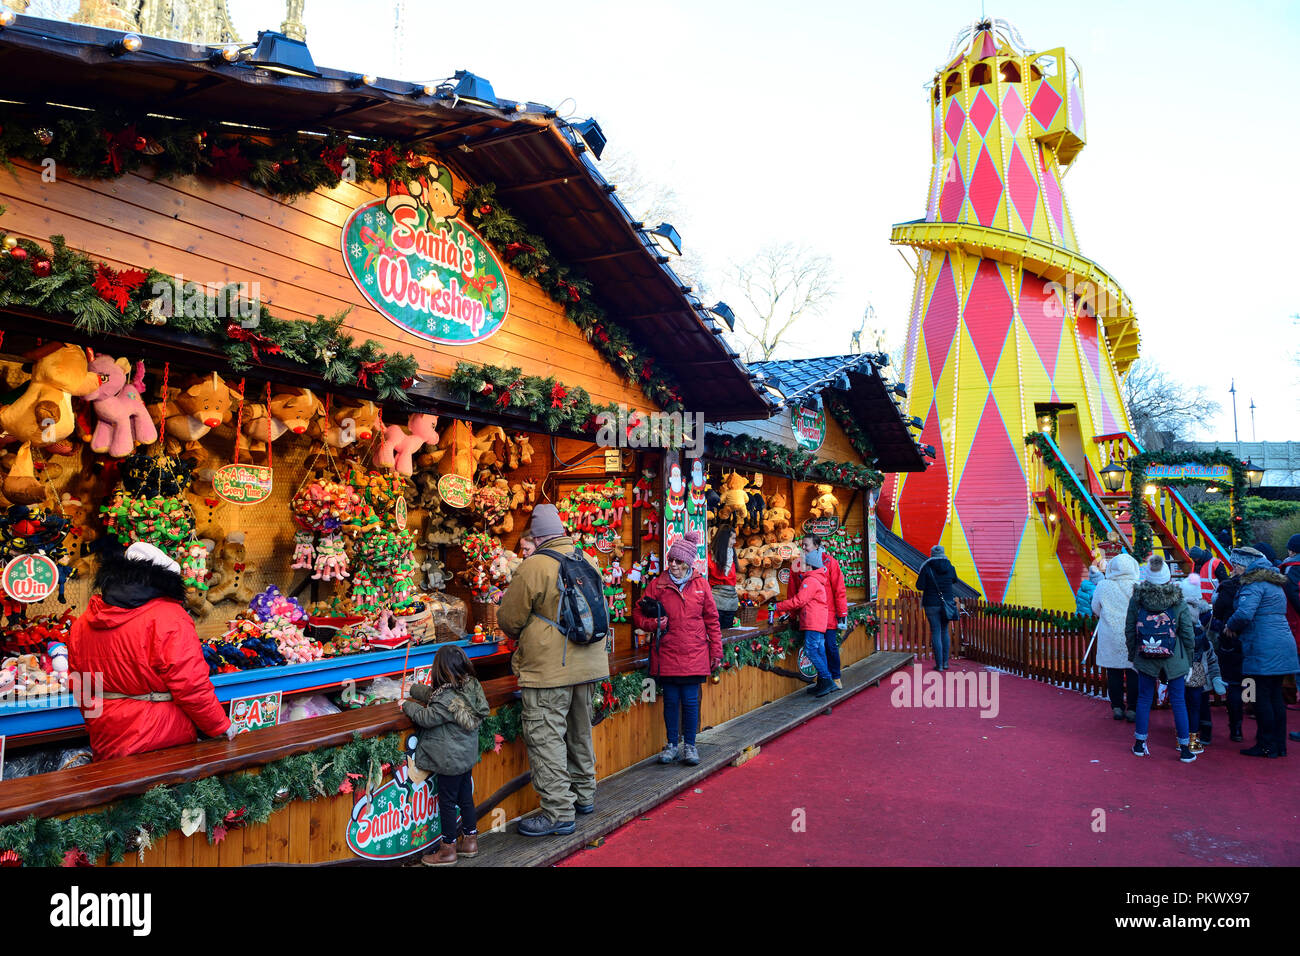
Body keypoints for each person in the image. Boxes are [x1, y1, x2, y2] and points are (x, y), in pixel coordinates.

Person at [497, 504, 609, 836]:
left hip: (549, 670)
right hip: (588, 665)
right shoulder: (587, 560)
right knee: (579, 731)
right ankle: (584, 795)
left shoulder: (535, 566)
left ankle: (558, 812)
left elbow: (510, 619)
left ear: (539, 535)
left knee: (546, 737)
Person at [67, 542, 233, 760]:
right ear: (166, 582)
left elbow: (82, 685)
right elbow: (190, 684)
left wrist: (97, 724)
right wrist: (219, 726)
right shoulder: (170, 617)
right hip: (162, 740)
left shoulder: (83, 623)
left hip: (106, 736)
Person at [634, 531, 722, 765]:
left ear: (688, 563)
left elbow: (712, 619)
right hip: (667, 652)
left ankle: (690, 746)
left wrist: (717, 651)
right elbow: (637, 613)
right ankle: (672, 744)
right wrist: (653, 624)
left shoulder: (701, 585)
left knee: (691, 701)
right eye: (671, 560)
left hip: (694, 651)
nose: (672, 564)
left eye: (678, 561)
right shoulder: (658, 585)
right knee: (671, 701)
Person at [403, 644, 490, 866]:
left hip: (449, 761)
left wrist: (406, 705)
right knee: (465, 798)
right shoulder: (469, 686)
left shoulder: (446, 698)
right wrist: (413, 690)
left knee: (448, 803)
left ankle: (447, 849)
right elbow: (435, 696)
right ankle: (470, 841)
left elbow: (426, 717)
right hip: (465, 758)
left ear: (440, 670)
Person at [1223, 547, 1300, 757]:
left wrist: (1230, 626)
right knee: (1276, 696)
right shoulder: (1274, 583)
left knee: (1259, 697)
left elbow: (1245, 614)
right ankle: (1278, 745)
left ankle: (1265, 744)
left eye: (1235, 565)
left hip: (1261, 646)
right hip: (1282, 644)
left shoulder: (1252, 585)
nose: (1233, 570)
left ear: (1242, 565)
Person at [1125, 554, 1198, 762]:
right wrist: (1189, 660)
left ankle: (1140, 744)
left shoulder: (1137, 599)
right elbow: (1187, 633)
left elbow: (1130, 630)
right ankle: (1185, 748)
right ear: (1167, 577)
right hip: (1175, 657)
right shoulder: (1177, 599)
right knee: (1178, 700)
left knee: (1144, 698)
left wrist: (1133, 656)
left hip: (1145, 656)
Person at [790, 533, 848, 688]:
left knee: (830, 646)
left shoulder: (830, 562)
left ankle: (835, 677)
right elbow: (794, 590)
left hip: (828, 614)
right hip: (810, 615)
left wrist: (842, 613)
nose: (803, 548)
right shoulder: (799, 564)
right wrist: (792, 614)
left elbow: (839, 589)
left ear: (816, 545)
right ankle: (824, 680)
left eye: (806, 545)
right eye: (802, 545)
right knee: (818, 649)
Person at [775, 549, 835, 697]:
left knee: (811, 651)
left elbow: (799, 600)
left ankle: (827, 680)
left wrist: (779, 606)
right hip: (818, 622)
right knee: (819, 651)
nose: (801, 566)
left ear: (809, 566)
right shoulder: (816, 579)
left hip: (813, 622)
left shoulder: (810, 581)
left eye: (803, 564)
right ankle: (823, 682)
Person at [1091, 552, 1140, 722]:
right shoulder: (1137, 586)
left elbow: (1096, 608)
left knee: (1113, 672)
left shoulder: (1103, 586)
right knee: (1134, 671)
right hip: (1132, 634)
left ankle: (1117, 706)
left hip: (1111, 633)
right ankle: (1133, 708)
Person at [1178, 574, 1223, 754]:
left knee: (1184, 703)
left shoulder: (1178, 611)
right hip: (1200, 666)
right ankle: (1201, 734)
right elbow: (1210, 652)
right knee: (1200, 701)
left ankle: (1186, 735)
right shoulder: (1205, 613)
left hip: (1183, 666)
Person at [1210, 566, 1246, 741]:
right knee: (1249, 682)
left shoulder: (1228, 587)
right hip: (1250, 640)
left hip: (1230, 638)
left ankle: (1236, 726)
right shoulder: (1259, 586)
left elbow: (1217, 612)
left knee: (1234, 684)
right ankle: (1249, 715)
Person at [917, 545, 957, 671]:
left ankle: (939, 665)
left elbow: (920, 586)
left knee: (936, 632)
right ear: (943, 553)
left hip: (931, 604)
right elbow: (954, 580)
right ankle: (945, 663)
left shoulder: (927, 567)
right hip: (947, 603)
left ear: (932, 554)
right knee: (945, 631)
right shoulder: (950, 567)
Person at [707, 526, 738, 630]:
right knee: (715, 632)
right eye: (733, 538)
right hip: (716, 601)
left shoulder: (732, 554)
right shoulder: (710, 556)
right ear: (725, 538)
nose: (735, 541)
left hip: (731, 602)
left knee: (727, 633)